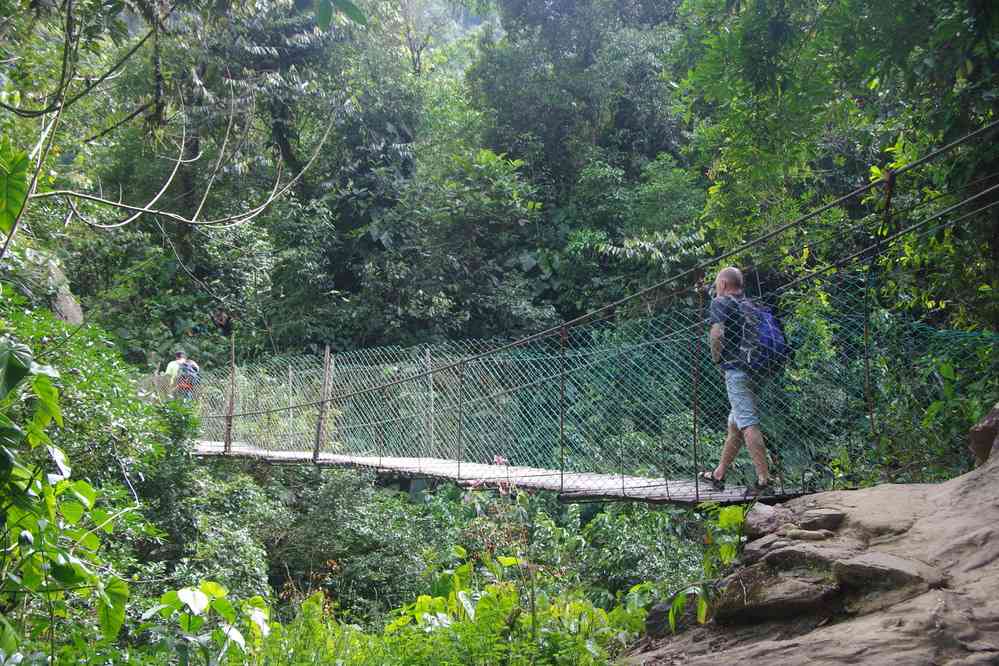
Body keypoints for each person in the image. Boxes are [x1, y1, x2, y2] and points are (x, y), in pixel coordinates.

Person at [700, 266, 772, 493]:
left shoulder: (721, 302)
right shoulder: (753, 305)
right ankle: (719, 473)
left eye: (716, 284)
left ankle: (764, 480)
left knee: (747, 422)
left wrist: (716, 358)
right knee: (735, 423)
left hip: (737, 371)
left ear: (722, 284)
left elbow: (717, 333)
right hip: (760, 369)